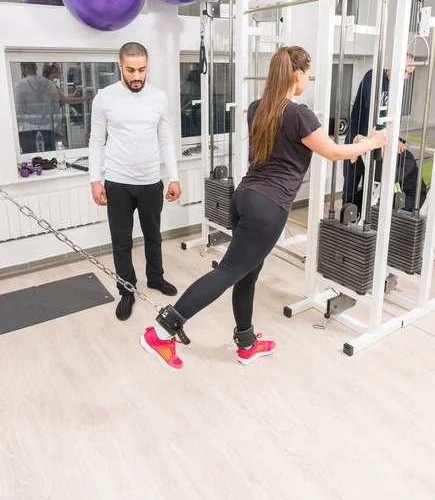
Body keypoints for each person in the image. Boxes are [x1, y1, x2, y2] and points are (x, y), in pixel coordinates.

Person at [138, 46, 388, 371]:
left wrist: (356, 144)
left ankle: (246, 343)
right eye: (308, 74)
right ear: (297, 75)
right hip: (268, 207)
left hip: (244, 197)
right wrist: (372, 142)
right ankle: (162, 330)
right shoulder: (299, 114)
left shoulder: (258, 108)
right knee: (229, 271)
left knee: (247, 274)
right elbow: (334, 153)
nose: (308, 80)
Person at [88, 42, 181, 321]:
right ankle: (126, 290)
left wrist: (174, 177)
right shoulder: (104, 98)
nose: (137, 75)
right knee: (121, 241)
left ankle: (155, 278)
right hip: (117, 182)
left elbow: (166, 139)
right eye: (131, 70)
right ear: (120, 66)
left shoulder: (159, 97)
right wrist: (95, 179)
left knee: (153, 236)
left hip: (152, 181)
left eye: (142, 69)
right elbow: (96, 141)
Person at [343, 57, 426, 213]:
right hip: (360, 134)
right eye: (406, 72)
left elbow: (395, 119)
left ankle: (367, 216)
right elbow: (371, 114)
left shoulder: (399, 87)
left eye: (409, 74)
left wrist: (394, 140)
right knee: (352, 179)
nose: (406, 77)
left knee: (373, 181)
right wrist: (368, 140)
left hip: (376, 139)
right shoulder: (373, 77)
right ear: (395, 66)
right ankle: (346, 215)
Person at [13, 62, 61, 153]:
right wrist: (57, 131)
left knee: (31, 161)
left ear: (22, 68)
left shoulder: (19, 85)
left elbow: (18, 111)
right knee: (50, 160)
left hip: (27, 130)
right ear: (36, 67)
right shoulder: (50, 84)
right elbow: (56, 111)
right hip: (47, 129)